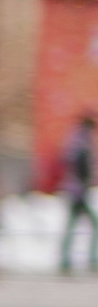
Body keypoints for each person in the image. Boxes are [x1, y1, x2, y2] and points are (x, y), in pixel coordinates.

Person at [63, 114, 98, 274]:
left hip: (75, 190)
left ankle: (65, 260)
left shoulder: (76, 138)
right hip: (79, 191)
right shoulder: (82, 141)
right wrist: (86, 180)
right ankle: (90, 259)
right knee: (91, 225)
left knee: (72, 226)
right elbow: (81, 164)